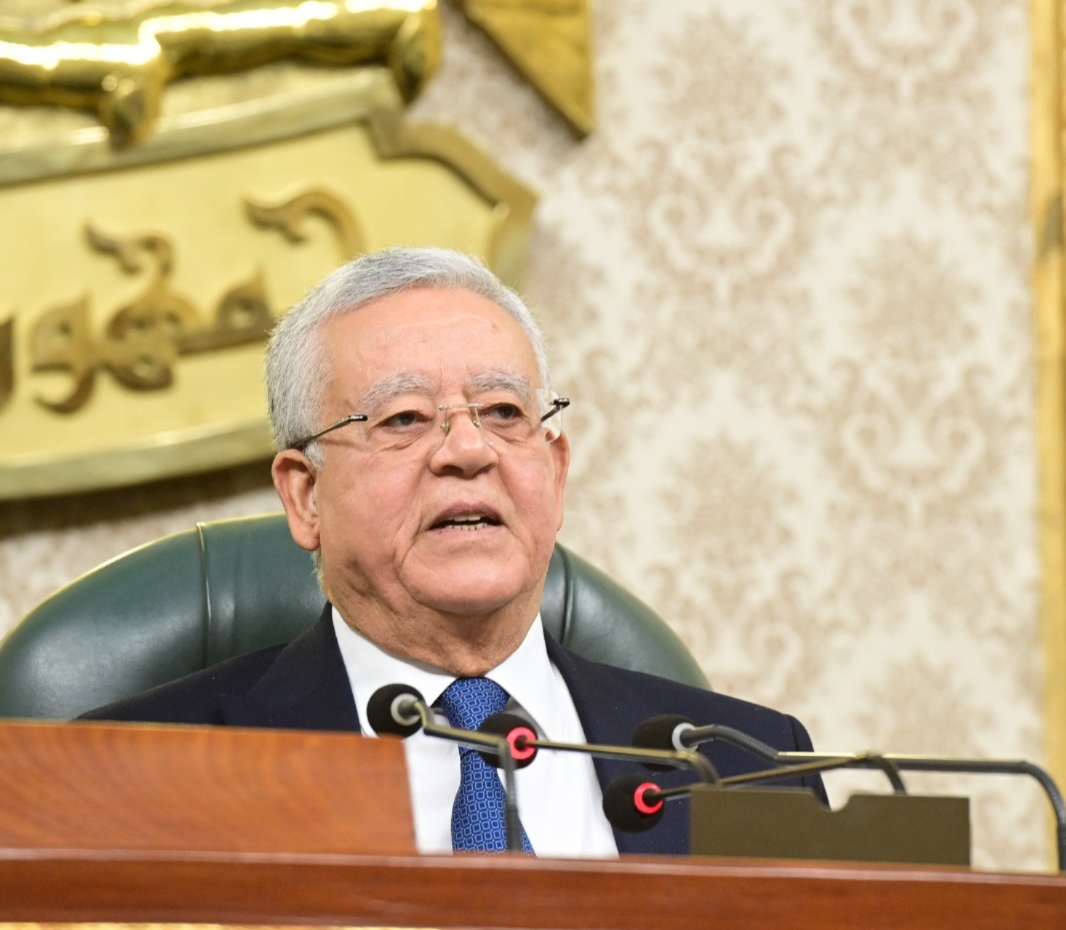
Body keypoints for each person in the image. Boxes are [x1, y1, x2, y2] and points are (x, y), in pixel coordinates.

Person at [82, 246, 825, 857]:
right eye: (404, 419)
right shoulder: (132, 775)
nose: (468, 451)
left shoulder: (751, 768)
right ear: (305, 495)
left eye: (503, 412)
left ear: (554, 471)